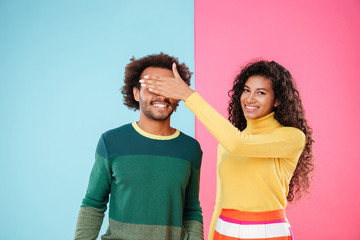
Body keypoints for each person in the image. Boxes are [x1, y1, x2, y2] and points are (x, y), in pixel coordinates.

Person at [140, 60, 314, 240]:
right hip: (224, 232)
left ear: (277, 100)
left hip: (268, 234)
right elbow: (220, 204)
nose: (250, 99)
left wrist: (187, 95)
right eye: (246, 90)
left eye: (260, 93)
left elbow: (239, 144)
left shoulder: (292, 137)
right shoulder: (227, 141)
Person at [75, 53, 204, 240]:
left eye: (168, 88)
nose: (161, 95)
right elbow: (93, 203)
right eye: (152, 87)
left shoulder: (190, 149)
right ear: (136, 93)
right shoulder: (111, 142)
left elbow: (191, 210)